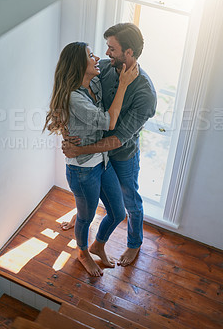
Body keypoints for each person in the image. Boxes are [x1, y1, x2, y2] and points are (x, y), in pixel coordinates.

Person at [62, 23, 157, 266]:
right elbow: (69, 96)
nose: (106, 54)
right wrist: (66, 132)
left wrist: (78, 150)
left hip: (121, 154)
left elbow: (116, 138)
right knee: (89, 194)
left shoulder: (145, 93)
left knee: (130, 202)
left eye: (112, 48)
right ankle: (83, 217)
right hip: (95, 157)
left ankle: (134, 244)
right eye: (106, 47)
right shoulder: (103, 68)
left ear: (129, 53)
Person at [43, 41, 138, 276]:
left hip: (102, 161)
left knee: (117, 212)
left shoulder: (93, 81)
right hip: (82, 169)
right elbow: (109, 122)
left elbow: (108, 63)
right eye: (91, 55)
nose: (97, 58)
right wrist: (124, 85)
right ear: (78, 64)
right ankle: (83, 252)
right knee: (86, 217)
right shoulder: (75, 98)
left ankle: (98, 245)